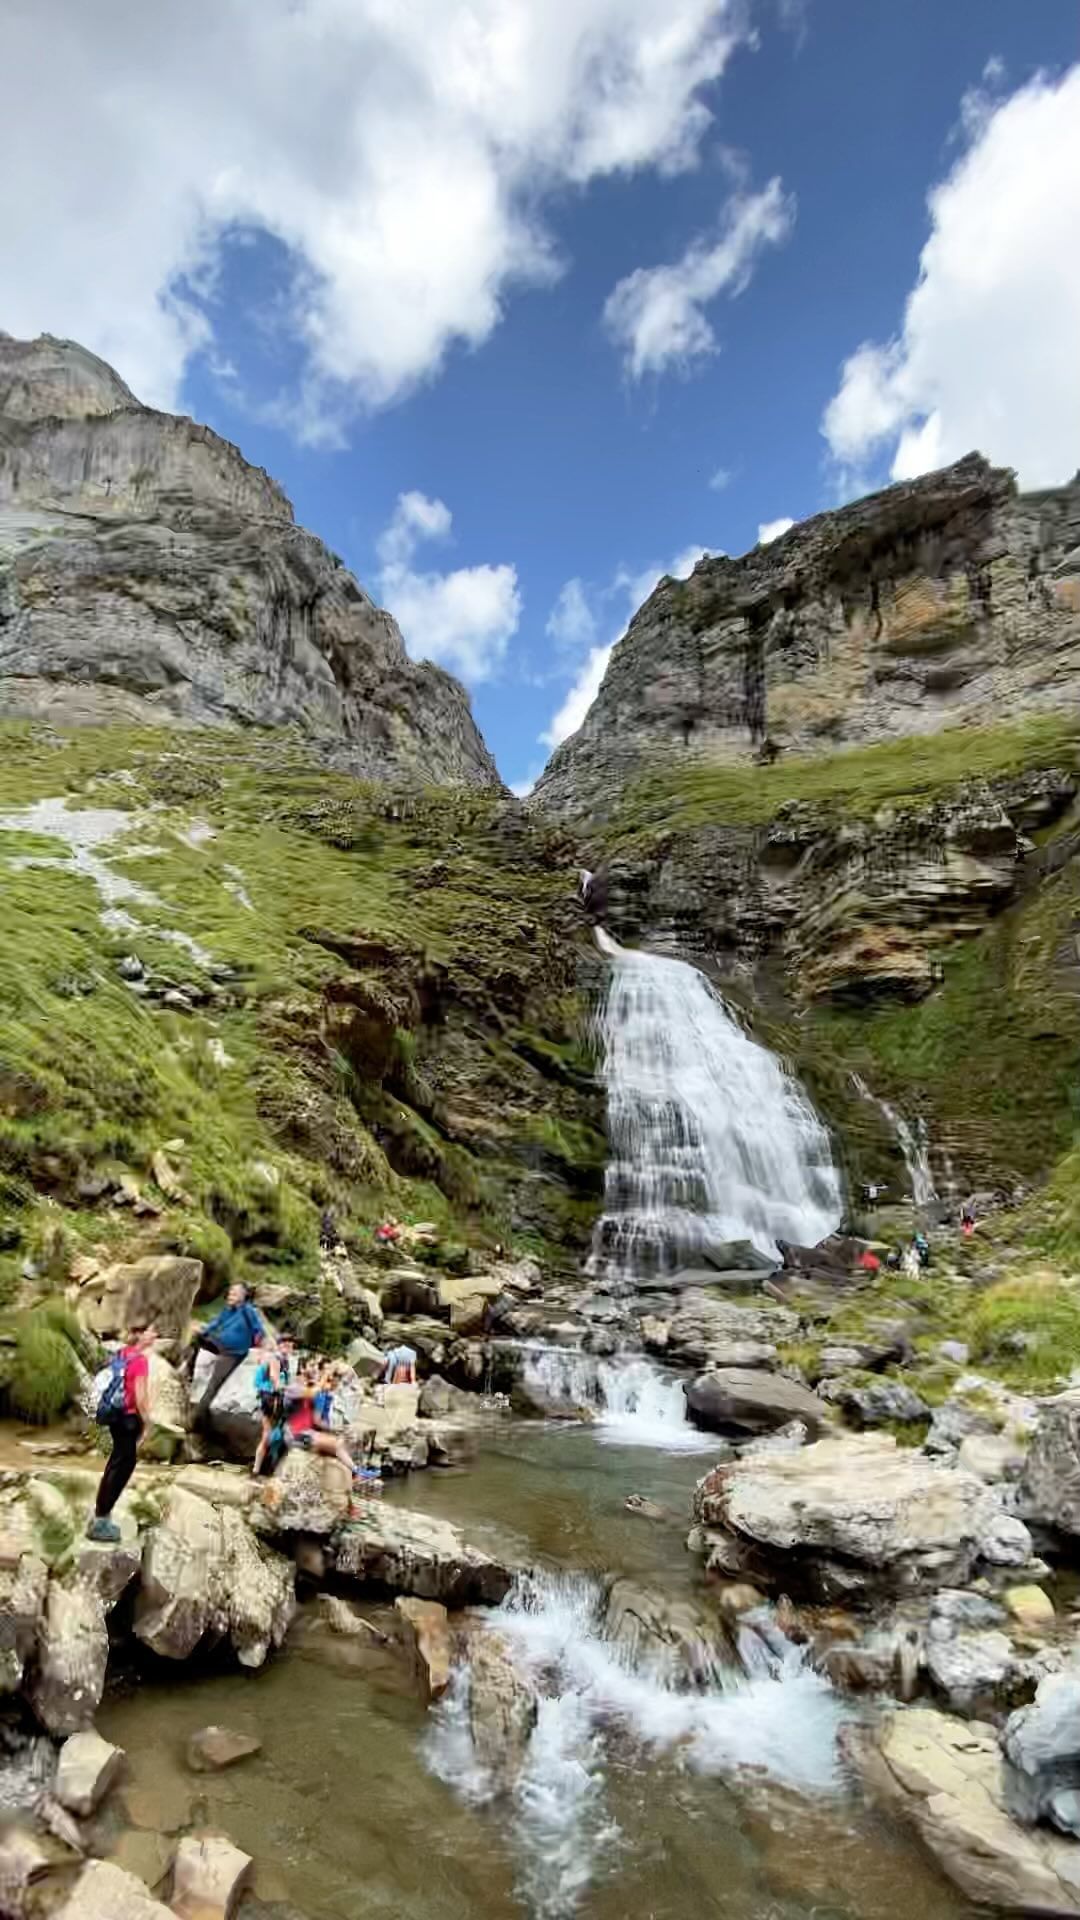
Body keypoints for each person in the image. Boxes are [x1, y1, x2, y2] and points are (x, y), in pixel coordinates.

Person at [86, 1323, 157, 1542]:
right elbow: (140, 1396)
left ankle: (100, 1514)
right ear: (139, 1335)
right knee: (122, 1466)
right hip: (128, 1419)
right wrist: (148, 1423)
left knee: (115, 1464)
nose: (154, 1335)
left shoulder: (123, 1354)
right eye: (151, 1330)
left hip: (116, 1417)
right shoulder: (140, 1360)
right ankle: (101, 1522)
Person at [186, 1282, 266, 1431]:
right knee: (195, 1339)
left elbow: (259, 1330)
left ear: (243, 1296)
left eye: (234, 1294)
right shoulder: (228, 1310)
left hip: (233, 1353)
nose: (230, 1296)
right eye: (230, 1293)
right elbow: (217, 1322)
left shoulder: (248, 1310)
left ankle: (195, 1422)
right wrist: (204, 1331)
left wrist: (260, 1350)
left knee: (212, 1386)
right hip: (220, 1344)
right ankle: (189, 1373)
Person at [283, 1361, 365, 1480]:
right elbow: (313, 1393)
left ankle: (355, 1472)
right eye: (311, 1366)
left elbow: (334, 1385)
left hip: (307, 1432)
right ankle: (357, 1474)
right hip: (295, 1435)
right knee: (336, 1444)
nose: (315, 1369)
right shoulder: (293, 1388)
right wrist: (327, 1373)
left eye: (316, 1366)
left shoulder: (310, 1386)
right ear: (301, 1368)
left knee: (341, 1442)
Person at [252, 1335, 294, 1478]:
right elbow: (274, 1380)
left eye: (290, 1344)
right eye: (285, 1344)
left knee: (274, 1435)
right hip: (271, 1401)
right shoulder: (275, 1359)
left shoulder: (284, 1361)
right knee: (268, 1436)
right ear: (279, 1345)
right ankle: (258, 1470)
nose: (288, 1347)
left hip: (273, 1400)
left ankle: (263, 1469)